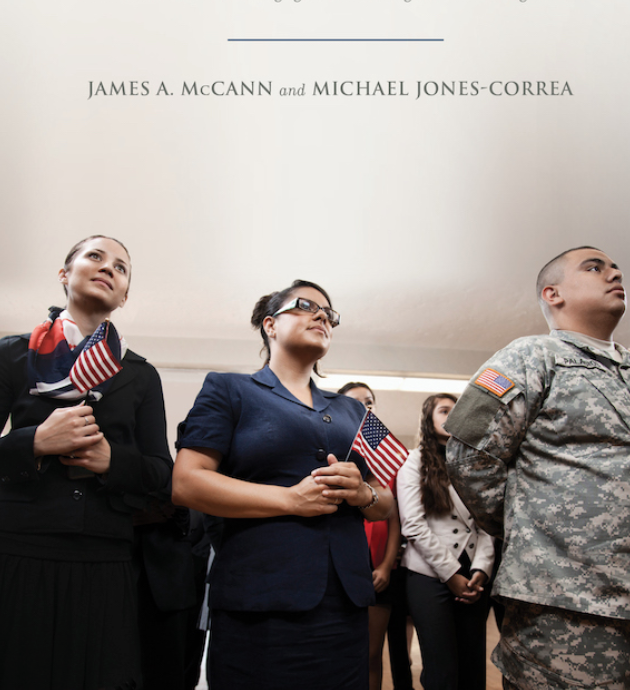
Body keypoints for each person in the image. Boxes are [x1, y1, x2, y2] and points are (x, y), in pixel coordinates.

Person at [445, 246, 630, 690]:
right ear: (552, 293)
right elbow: (469, 455)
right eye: (594, 267)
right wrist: (536, 528)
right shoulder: (531, 357)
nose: (614, 273)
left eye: (615, 268)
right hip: (569, 601)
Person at [172, 279, 393, 690]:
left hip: (344, 605)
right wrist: (290, 499)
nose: (322, 315)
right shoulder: (227, 389)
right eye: (306, 305)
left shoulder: (356, 410)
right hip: (260, 602)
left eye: (330, 313)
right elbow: (186, 482)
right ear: (270, 325)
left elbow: (387, 501)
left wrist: (364, 494)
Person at [0, 234, 172, 690]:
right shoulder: (11, 354)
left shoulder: (140, 374)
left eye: (121, 267)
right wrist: (34, 440)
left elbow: (162, 474)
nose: (108, 267)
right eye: (95, 256)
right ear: (64, 275)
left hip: (106, 556)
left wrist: (112, 460)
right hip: (19, 549)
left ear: (125, 294)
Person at [397, 393, 494, 690]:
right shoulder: (414, 462)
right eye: (443, 411)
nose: (451, 416)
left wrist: (482, 569)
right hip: (429, 573)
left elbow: (488, 521)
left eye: (457, 411)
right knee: (441, 669)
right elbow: (413, 525)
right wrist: (451, 575)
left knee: (473, 665)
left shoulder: (475, 463)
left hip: (474, 574)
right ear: (428, 419)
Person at [338, 382, 412, 690]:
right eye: (356, 402)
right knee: (341, 653)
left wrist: (384, 565)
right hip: (342, 564)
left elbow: (394, 516)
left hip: (379, 567)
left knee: (370, 653)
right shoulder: (335, 450)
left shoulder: (382, 459)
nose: (365, 407)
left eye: (369, 401)